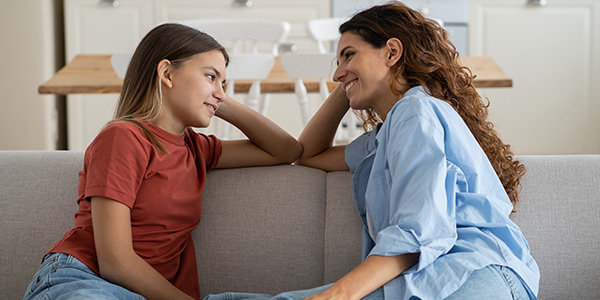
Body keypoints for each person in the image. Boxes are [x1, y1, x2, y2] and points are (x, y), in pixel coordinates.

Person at [204, 2, 540, 300]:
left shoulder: (415, 112)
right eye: (337, 62)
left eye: (349, 54)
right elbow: (307, 154)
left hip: (474, 274)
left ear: (392, 52)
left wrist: (339, 293)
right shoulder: (389, 133)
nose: (336, 72)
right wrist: (350, 81)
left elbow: (418, 232)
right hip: (451, 278)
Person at [23, 23, 302, 300]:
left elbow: (287, 150)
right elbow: (115, 263)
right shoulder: (123, 138)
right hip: (85, 280)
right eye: (210, 76)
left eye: (224, 82)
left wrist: (218, 99)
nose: (220, 90)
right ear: (166, 73)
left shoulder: (196, 148)